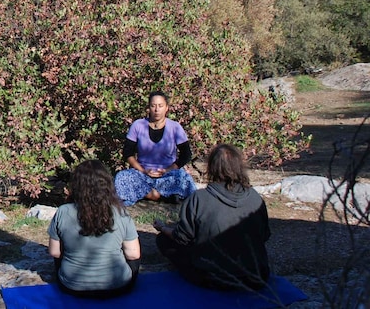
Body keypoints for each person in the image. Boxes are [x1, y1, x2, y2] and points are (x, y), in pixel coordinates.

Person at [153, 143, 271, 290]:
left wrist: (163, 228)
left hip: (215, 278)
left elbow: (182, 238)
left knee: (164, 241)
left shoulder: (199, 199)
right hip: (257, 277)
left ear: (211, 168)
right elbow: (264, 235)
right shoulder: (255, 198)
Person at [48, 160, 141, 298]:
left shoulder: (63, 211)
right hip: (118, 286)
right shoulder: (120, 212)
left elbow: (55, 252)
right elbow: (133, 255)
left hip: (72, 286)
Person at [114, 91, 197, 206]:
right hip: (142, 174)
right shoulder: (138, 125)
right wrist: (143, 170)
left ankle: (151, 193)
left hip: (167, 175)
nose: (157, 110)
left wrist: (168, 170)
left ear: (166, 108)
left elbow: (186, 154)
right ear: (148, 108)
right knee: (121, 177)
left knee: (184, 179)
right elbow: (128, 153)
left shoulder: (175, 127)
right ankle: (158, 195)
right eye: (153, 106)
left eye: (160, 106)